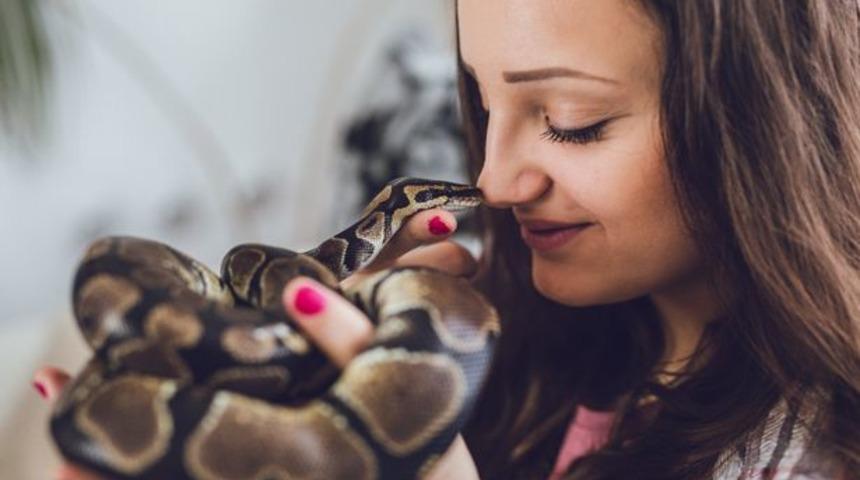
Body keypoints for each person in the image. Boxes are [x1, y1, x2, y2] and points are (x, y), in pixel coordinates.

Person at [35, 0, 860, 478]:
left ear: (761, 126)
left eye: (572, 123)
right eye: (480, 101)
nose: (494, 183)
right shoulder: (525, 332)